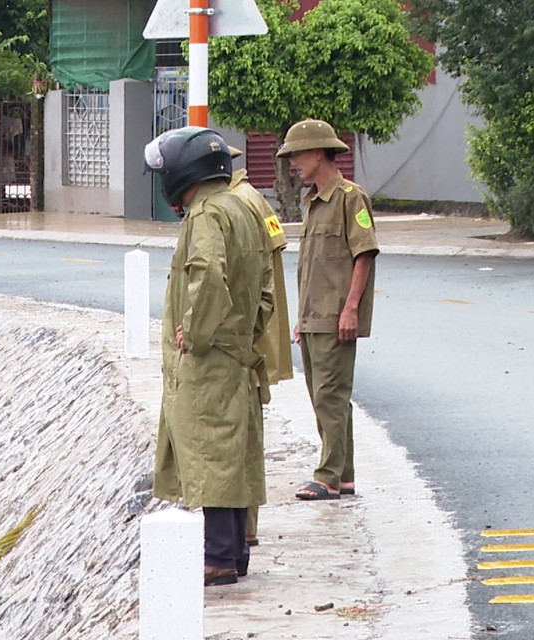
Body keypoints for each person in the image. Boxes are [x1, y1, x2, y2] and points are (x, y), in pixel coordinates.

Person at [144, 127, 273, 586]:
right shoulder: (243, 206)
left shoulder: (206, 214)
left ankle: (218, 558)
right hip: (236, 350)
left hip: (210, 356)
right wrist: (245, 334)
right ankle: (235, 552)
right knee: (232, 451)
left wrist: (195, 334)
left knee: (212, 452)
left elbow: (208, 275)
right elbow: (266, 289)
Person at [276, 119, 379, 502]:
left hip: (337, 317)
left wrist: (350, 309)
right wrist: (302, 319)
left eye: (298, 155)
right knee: (326, 398)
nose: (293, 164)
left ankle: (328, 476)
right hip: (313, 317)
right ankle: (345, 475)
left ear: (319, 152)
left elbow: (363, 255)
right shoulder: (312, 202)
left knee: (330, 397)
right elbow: (313, 266)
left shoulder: (351, 198)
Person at [229, 147, 293, 550]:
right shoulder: (251, 197)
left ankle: (244, 527)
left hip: (247, 340)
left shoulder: (239, 202)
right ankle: (244, 527)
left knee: (243, 437)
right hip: (258, 334)